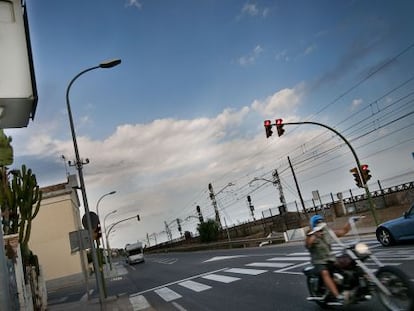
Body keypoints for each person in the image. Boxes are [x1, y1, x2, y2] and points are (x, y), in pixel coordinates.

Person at [305, 214, 351, 305]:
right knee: (325, 272)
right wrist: (314, 236)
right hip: (319, 261)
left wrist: (350, 222)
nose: (320, 224)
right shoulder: (311, 234)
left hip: (330, 258)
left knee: (348, 263)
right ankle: (338, 296)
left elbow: (342, 232)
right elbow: (308, 244)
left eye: (321, 221)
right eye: (318, 222)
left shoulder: (327, 232)